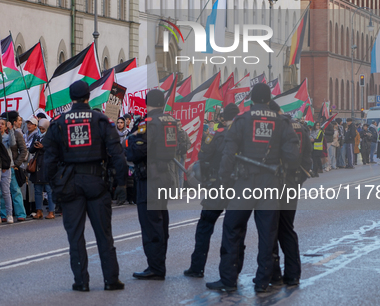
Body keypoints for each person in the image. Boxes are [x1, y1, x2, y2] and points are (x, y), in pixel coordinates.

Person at [206, 83, 299, 293]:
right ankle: (262, 281)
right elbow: (293, 158)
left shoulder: (241, 120)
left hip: (244, 183)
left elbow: (228, 156)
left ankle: (228, 280)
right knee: (267, 233)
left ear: (251, 100)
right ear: (268, 100)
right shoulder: (282, 122)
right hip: (271, 184)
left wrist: (224, 182)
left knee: (232, 229)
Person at [42, 81, 128, 292]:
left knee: (75, 236)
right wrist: (122, 183)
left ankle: (81, 282)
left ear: (71, 98)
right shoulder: (101, 120)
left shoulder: (58, 122)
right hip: (97, 182)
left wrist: (53, 185)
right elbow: (117, 154)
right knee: (103, 234)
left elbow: (48, 160)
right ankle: (111, 280)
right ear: (88, 96)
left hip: (70, 185)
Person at [126, 89, 183, 281]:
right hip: (166, 174)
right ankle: (159, 264)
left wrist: (130, 140)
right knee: (160, 221)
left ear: (147, 103)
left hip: (150, 177)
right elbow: (182, 145)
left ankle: (156, 267)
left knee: (151, 224)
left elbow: (136, 152)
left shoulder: (148, 123)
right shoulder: (170, 121)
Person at [184, 103, 240, 278]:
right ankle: (231, 272)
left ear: (224, 118)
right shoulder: (243, 133)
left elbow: (204, 155)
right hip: (238, 186)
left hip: (217, 185)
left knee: (205, 226)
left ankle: (197, 267)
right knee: (233, 230)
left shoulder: (217, 134)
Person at [271, 100, 312, 287]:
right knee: (287, 228)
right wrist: (297, 181)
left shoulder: (276, 126)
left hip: (274, 183)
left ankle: (274, 274)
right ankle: (293, 274)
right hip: (292, 183)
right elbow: (308, 160)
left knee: (270, 229)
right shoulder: (300, 128)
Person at [29, 119, 55, 220]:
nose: (41, 130)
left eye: (43, 129)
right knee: (37, 189)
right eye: (40, 129)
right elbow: (31, 149)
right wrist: (35, 146)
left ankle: (51, 211)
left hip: (47, 164)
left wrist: (43, 147)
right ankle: (39, 211)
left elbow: (54, 150)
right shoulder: (36, 136)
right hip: (38, 164)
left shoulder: (51, 137)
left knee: (49, 189)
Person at [5, 111, 28, 222]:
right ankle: (3, 214)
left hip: (12, 166)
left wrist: (16, 163)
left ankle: (20, 213)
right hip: (2, 166)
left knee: (15, 191)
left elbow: (24, 150)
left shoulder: (17, 133)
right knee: (1, 192)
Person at [0, 117, 15, 224]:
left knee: (6, 192)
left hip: (6, 167)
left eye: (2, 124)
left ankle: (9, 214)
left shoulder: (7, 137)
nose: (0, 125)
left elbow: (12, 144)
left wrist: (11, 129)